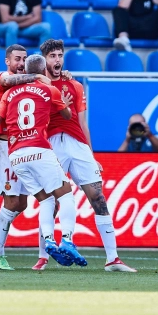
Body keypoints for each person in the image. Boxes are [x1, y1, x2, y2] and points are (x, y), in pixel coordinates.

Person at [39, 39, 136, 272]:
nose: (57, 60)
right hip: (51, 143)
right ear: (44, 60)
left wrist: (91, 154)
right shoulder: (38, 86)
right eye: (52, 56)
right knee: (50, 201)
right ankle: (43, 257)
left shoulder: (75, 85)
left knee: (98, 197)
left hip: (78, 146)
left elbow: (83, 122)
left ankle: (112, 258)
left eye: (60, 55)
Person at [0, 54, 88, 268]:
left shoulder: (10, 93)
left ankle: (49, 240)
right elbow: (68, 115)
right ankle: (67, 239)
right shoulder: (49, 90)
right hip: (39, 149)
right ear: (43, 71)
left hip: (16, 155)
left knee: (45, 200)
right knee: (65, 194)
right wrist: (63, 103)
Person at [0, 45, 40, 270]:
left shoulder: (25, 82)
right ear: (7, 61)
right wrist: (38, 75)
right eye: (17, 59)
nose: (21, 63)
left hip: (21, 147)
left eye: (24, 59)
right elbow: (5, 83)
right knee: (11, 201)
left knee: (21, 203)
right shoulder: (5, 77)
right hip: (5, 146)